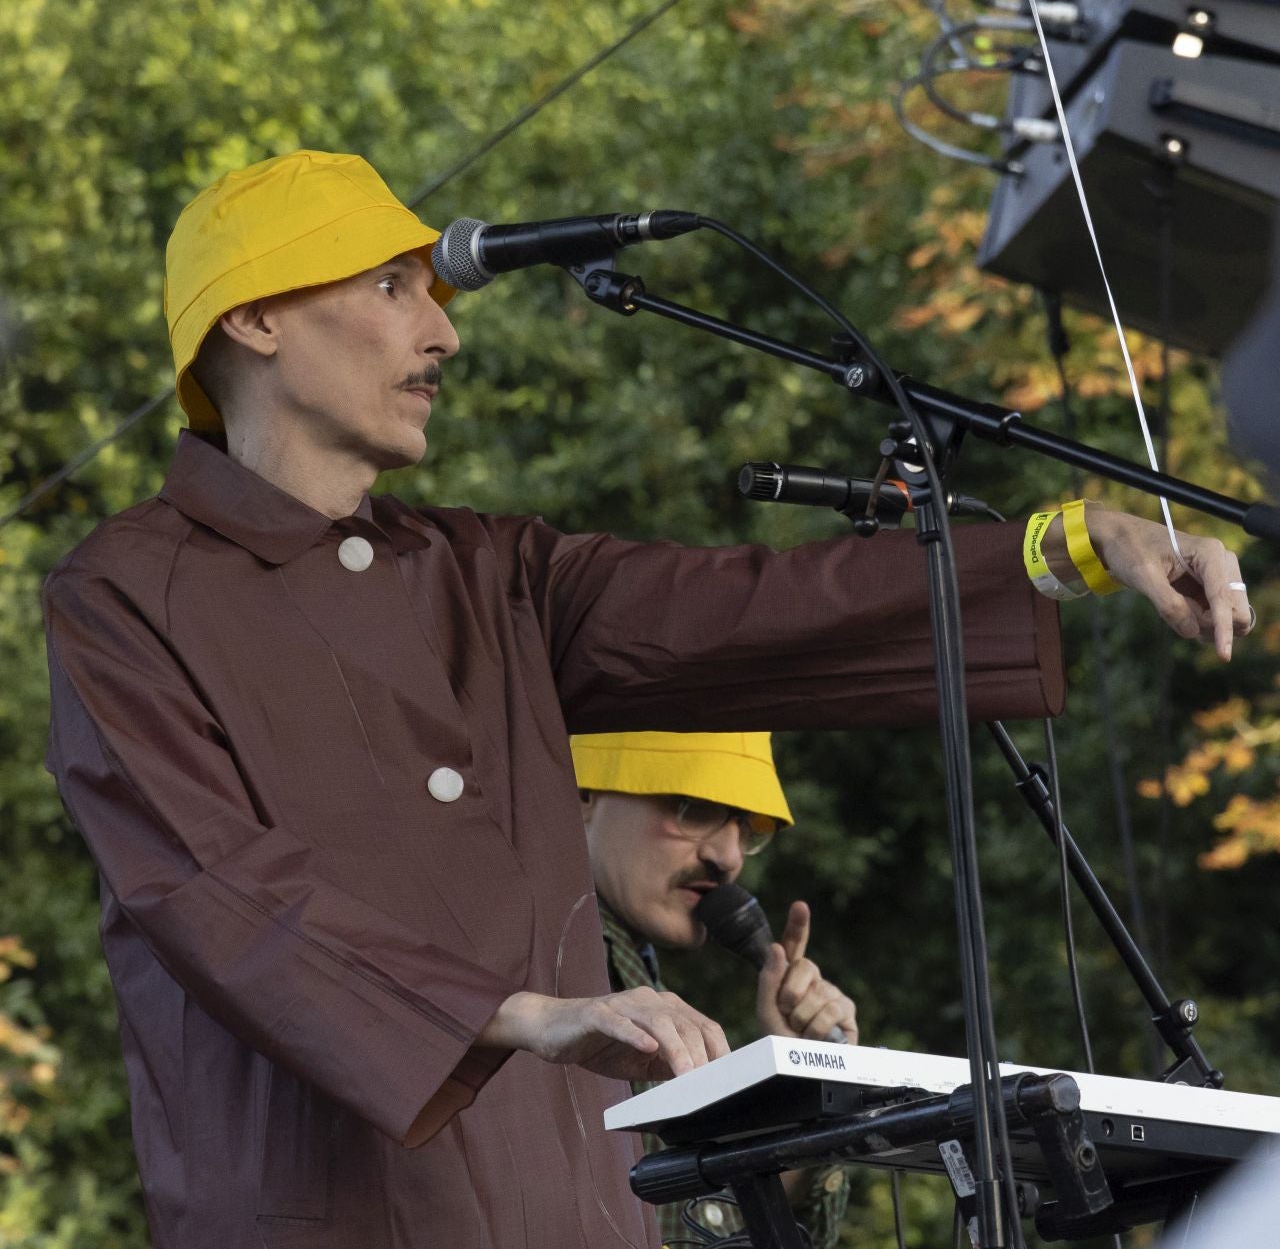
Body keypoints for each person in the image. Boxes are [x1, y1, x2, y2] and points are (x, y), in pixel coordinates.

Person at [41, 149, 1251, 1249]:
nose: (443, 334)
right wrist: (517, 1014)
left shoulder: (488, 571)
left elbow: (750, 606)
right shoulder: (123, 593)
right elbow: (210, 892)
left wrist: (1065, 546)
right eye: (392, 287)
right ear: (254, 316)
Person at [573, 728, 856, 1248]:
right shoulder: (550, 960)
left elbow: (697, 1226)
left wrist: (799, 1086)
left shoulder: (630, 972)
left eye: (746, 828)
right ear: (585, 792)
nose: (729, 856)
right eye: (694, 807)